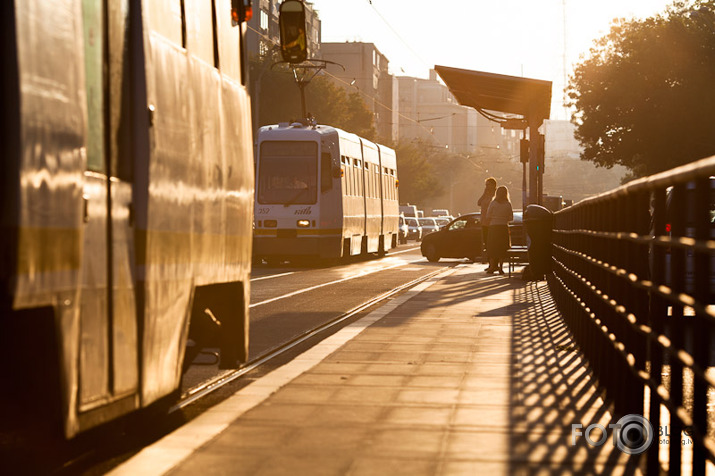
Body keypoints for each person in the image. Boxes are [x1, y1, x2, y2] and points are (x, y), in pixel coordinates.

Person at [485, 185, 513, 274]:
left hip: (493, 227)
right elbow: (511, 218)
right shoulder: (508, 204)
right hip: (503, 227)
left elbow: (488, 215)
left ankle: (492, 267)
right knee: (502, 248)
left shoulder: (493, 203)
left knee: (493, 247)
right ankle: (501, 268)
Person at [477, 177, 497, 263]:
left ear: (493, 185)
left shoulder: (496, 195)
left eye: (488, 185)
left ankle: (493, 263)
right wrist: (484, 194)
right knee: (486, 244)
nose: (487, 187)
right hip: (484, 223)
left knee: (492, 244)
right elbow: (478, 203)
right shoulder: (485, 195)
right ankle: (490, 262)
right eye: (486, 185)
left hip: (492, 223)